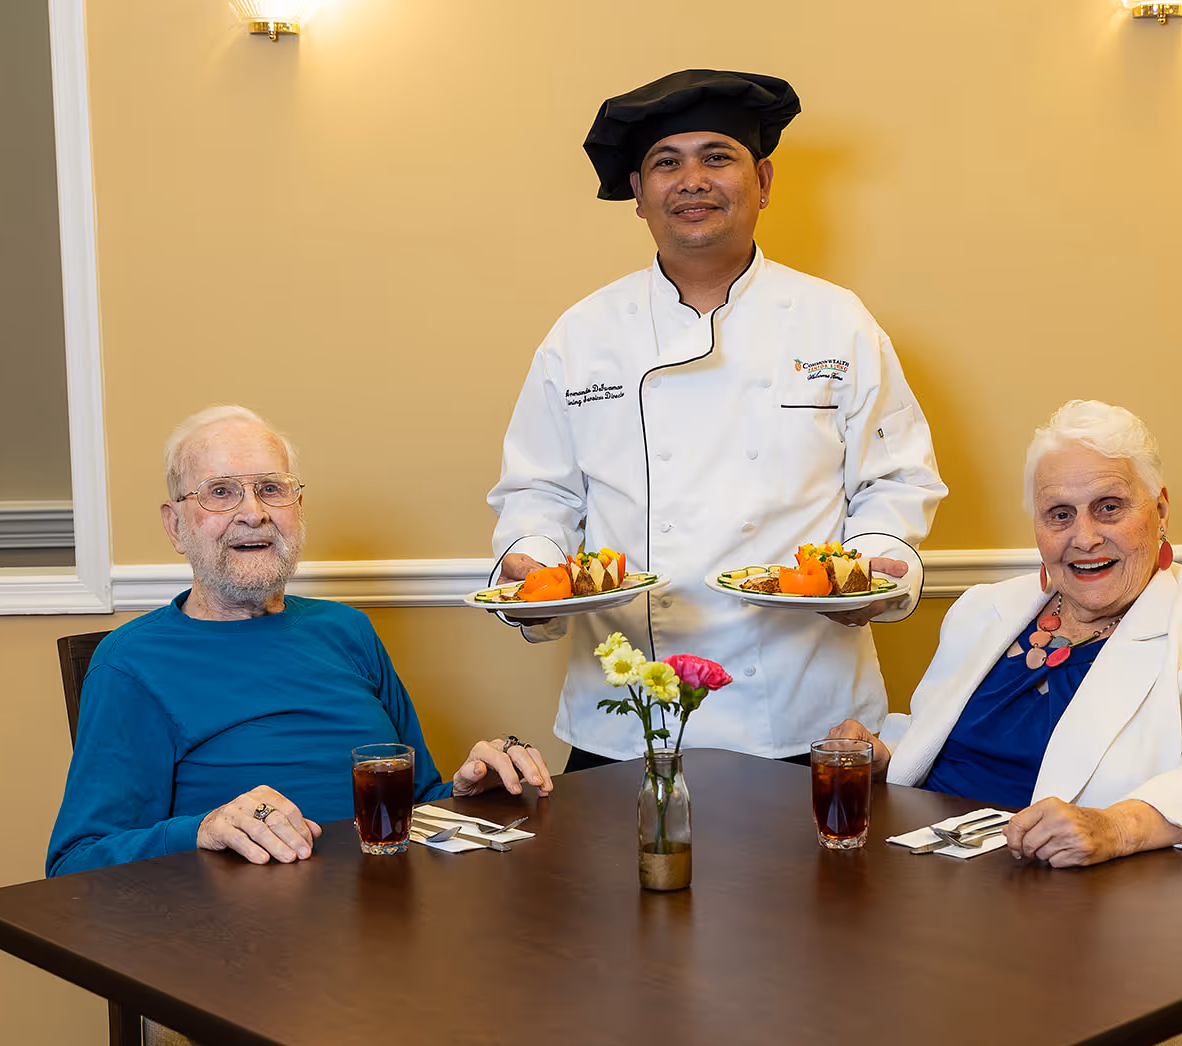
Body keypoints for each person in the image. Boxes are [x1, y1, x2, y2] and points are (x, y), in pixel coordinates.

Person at [488, 69, 947, 770]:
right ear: (639, 196)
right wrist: (536, 572)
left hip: (804, 707)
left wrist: (874, 570)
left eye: (717, 157)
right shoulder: (581, 334)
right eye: (666, 163)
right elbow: (540, 495)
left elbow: (898, 478)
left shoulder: (837, 320)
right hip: (626, 707)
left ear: (763, 181)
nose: (691, 179)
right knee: (609, 882)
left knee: (816, 882)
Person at [827, 399, 1182, 1046]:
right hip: (923, 906)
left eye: (1109, 506)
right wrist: (883, 749)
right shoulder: (987, 610)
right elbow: (934, 731)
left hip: (1093, 945)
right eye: (1059, 514)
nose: (1085, 537)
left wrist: (1110, 826)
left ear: (1160, 509)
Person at [48, 406, 554, 878]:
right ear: (176, 525)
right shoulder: (131, 664)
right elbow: (75, 863)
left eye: (271, 488)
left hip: (387, 911)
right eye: (221, 492)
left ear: (297, 508)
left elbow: (416, 803)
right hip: (246, 940)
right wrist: (203, 829)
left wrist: (468, 789)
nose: (254, 513)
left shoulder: (346, 630)